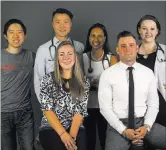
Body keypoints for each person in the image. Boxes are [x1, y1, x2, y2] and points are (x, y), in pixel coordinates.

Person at [98, 31, 166, 150]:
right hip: (118, 125)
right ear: (117, 50)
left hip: (143, 122)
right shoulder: (107, 74)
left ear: (137, 48)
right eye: (123, 46)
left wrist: (147, 126)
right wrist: (123, 130)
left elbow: (153, 104)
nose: (127, 49)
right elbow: (105, 108)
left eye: (131, 45)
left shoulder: (148, 73)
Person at [39, 41, 90, 150]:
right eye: (61, 54)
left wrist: (71, 138)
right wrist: (63, 135)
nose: (66, 57)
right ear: (57, 58)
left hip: (75, 127)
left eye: (69, 54)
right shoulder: (47, 79)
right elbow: (47, 110)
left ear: (75, 57)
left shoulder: (83, 82)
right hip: (51, 127)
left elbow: (79, 112)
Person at [34, 8, 84, 103]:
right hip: (52, 104)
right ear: (53, 24)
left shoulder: (79, 47)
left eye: (66, 22)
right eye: (58, 22)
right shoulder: (43, 50)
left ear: (71, 24)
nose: (62, 26)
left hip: (74, 102)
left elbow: (81, 76)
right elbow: (38, 81)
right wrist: (46, 107)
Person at [1, 19, 35, 150]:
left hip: (25, 113)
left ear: (24, 35)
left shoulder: (31, 56)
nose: (16, 36)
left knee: (29, 148)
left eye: (19, 32)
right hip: (3, 113)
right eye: (11, 32)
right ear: (5, 36)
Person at [82, 23, 118, 150]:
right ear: (88, 38)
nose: (96, 39)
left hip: (106, 108)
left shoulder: (112, 59)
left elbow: (117, 86)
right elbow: (78, 84)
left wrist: (98, 85)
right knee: (89, 142)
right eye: (93, 35)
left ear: (105, 38)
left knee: (105, 141)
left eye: (100, 36)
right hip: (87, 107)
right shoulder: (82, 58)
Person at [136, 15, 166, 127]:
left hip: (163, 105)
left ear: (157, 31)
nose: (148, 32)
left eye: (152, 29)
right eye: (144, 28)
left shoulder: (165, 51)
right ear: (139, 30)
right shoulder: (132, 53)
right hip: (141, 108)